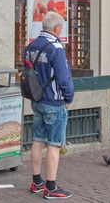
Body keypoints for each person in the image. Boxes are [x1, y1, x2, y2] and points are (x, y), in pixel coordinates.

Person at [26, 11, 74, 199]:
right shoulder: (56, 48)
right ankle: (51, 187)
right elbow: (63, 78)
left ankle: (37, 182)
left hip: (37, 100)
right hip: (54, 102)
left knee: (37, 140)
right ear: (56, 28)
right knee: (54, 145)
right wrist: (69, 97)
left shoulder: (31, 45)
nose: (60, 31)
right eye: (60, 28)